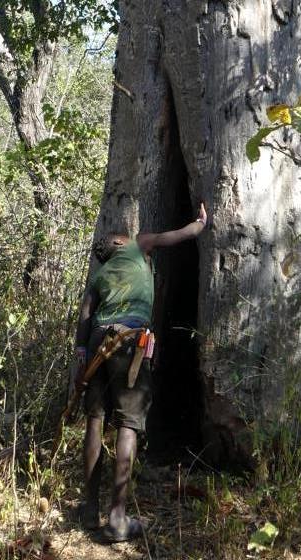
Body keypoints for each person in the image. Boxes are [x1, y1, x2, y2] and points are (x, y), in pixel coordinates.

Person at [73, 202, 208, 542]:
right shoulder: (138, 243)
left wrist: (81, 359)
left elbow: (85, 316)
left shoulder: (99, 276)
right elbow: (174, 236)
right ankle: (117, 518)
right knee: (129, 424)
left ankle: (90, 509)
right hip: (129, 341)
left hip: (98, 345)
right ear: (119, 243)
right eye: (119, 235)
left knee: (95, 421)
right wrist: (199, 225)